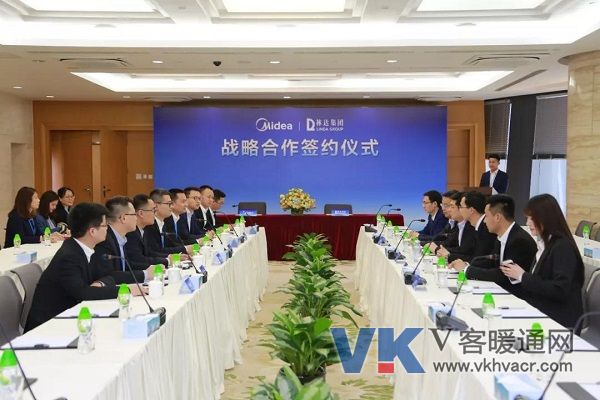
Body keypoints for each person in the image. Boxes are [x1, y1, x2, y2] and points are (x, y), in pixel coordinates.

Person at [25, 202, 145, 331]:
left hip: (71, 317)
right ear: (92, 231)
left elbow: (106, 276)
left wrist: (100, 283)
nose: (107, 229)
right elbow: (83, 293)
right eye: (105, 225)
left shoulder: (85, 249)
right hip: (48, 327)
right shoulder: (69, 256)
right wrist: (125, 290)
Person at [500, 194, 584, 329]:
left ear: (546, 218)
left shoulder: (562, 247)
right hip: (540, 309)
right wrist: (518, 277)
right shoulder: (545, 244)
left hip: (558, 319)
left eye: (532, 218)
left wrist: (522, 276)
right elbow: (540, 281)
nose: (528, 223)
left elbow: (559, 290)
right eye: (527, 218)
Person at [450, 195, 537, 292]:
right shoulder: (502, 236)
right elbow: (491, 263)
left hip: (517, 295)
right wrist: (466, 265)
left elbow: (505, 275)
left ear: (497, 217)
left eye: (486, 216)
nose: (484, 221)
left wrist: (467, 269)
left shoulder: (519, 240)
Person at [91, 196, 155, 284]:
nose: (136, 218)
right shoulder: (104, 240)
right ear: (123, 218)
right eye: (134, 214)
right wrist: (145, 274)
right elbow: (108, 275)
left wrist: (150, 268)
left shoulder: (120, 237)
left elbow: (126, 266)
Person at [124, 194, 172, 268]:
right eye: (153, 210)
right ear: (141, 213)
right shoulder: (130, 233)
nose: (155, 214)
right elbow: (138, 259)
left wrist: (169, 257)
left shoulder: (144, 229)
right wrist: (167, 260)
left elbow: (149, 253)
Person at [448, 191, 497, 262]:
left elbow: (480, 259)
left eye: (461, 207)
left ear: (471, 210)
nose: (459, 210)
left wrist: (450, 256)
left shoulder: (485, 227)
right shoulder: (477, 226)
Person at [146, 189, 191, 255]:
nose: (171, 207)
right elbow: (155, 250)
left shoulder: (163, 223)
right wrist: (184, 249)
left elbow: (170, 245)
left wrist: (182, 252)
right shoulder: (149, 226)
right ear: (156, 206)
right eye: (169, 204)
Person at [434, 191, 476, 262]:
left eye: (452, 207)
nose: (449, 210)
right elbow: (456, 248)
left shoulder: (471, 226)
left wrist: (446, 254)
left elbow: (466, 252)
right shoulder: (458, 225)